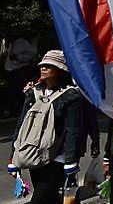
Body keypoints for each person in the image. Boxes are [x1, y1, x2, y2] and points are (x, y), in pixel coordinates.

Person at [8, 50, 82, 204]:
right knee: (52, 199)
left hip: (58, 158)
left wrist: (71, 160)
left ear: (60, 70)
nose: (44, 68)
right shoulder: (33, 93)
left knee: (41, 197)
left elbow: (72, 130)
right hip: (35, 154)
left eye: (49, 66)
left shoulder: (71, 95)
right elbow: (22, 125)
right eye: (43, 65)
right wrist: (13, 156)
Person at [2, 35, 36, 118]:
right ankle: (11, 109)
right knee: (10, 89)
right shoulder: (9, 43)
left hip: (19, 69)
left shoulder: (23, 43)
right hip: (9, 69)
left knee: (15, 89)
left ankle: (16, 109)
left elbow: (32, 53)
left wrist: (20, 58)